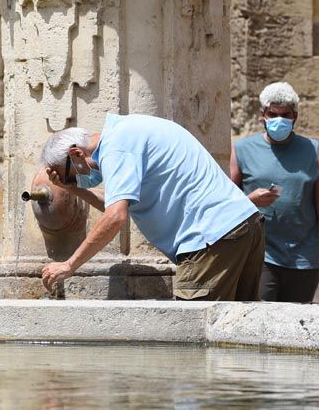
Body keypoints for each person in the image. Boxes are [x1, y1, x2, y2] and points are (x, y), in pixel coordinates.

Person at [40, 114, 264, 301]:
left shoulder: (116, 148)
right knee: (234, 332)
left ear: (76, 154)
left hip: (211, 240)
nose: (77, 180)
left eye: (72, 175)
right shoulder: (125, 132)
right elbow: (116, 203)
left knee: (191, 338)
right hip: (240, 226)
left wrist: (70, 265)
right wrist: (73, 189)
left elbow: (116, 216)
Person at [229, 81, 319, 303]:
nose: (279, 120)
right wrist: (250, 200)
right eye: (273, 114)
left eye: (286, 115)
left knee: (296, 326)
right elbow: (227, 204)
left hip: (304, 258)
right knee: (260, 321)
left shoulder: (313, 150)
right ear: (263, 114)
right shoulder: (242, 150)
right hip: (259, 256)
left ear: (295, 117)